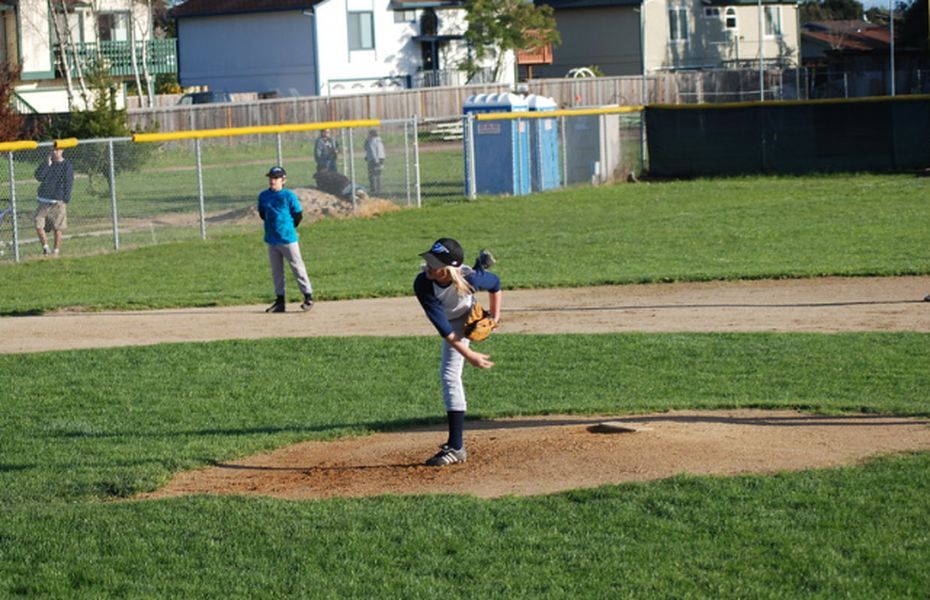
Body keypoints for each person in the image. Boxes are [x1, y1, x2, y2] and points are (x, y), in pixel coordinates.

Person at [414, 238, 500, 467]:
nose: (429, 266)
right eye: (429, 260)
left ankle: (456, 447)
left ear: (450, 267)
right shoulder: (423, 283)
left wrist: (496, 316)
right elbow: (444, 329)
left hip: (467, 317)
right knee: (450, 375)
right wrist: (469, 355)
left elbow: (496, 285)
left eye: (435, 263)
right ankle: (456, 446)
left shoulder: (470, 279)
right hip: (450, 325)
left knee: (450, 377)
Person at [257, 166, 314, 313]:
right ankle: (280, 301)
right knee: (277, 272)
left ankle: (308, 296)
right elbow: (262, 214)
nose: (272, 180)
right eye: (271, 177)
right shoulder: (263, 196)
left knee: (297, 267)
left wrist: (289, 228)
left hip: (288, 239)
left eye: (276, 178)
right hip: (271, 239)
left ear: (283, 180)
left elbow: (298, 214)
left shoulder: (288, 196)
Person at [34, 147, 74, 256]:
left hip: (58, 201)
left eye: (57, 150)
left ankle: (56, 251)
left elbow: (69, 182)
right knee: (38, 224)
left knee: (58, 227)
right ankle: (46, 248)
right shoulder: (48, 163)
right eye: (53, 150)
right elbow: (39, 177)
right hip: (44, 201)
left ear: (62, 151)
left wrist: (66, 198)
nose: (55, 152)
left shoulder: (66, 165)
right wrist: (47, 163)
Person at [363, 129, 386, 196]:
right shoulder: (376, 140)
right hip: (378, 159)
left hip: (375, 160)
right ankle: (377, 189)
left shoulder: (372, 141)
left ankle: (375, 189)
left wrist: (377, 161)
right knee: (376, 175)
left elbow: (374, 151)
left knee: (373, 175)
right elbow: (368, 150)